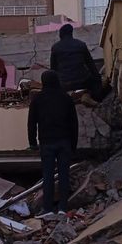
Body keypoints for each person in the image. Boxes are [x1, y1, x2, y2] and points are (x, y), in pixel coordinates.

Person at [27, 70, 78, 216]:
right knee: (64, 175)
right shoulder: (66, 99)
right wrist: (73, 145)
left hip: (47, 143)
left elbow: (31, 123)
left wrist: (32, 143)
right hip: (64, 143)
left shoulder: (37, 99)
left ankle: (48, 209)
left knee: (48, 176)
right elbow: (74, 124)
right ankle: (63, 208)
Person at [50, 23, 101, 97]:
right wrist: (98, 79)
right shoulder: (81, 45)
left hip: (64, 84)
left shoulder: (55, 47)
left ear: (61, 34)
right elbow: (91, 65)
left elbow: (53, 69)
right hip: (82, 81)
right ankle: (95, 100)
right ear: (71, 33)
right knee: (96, 82)